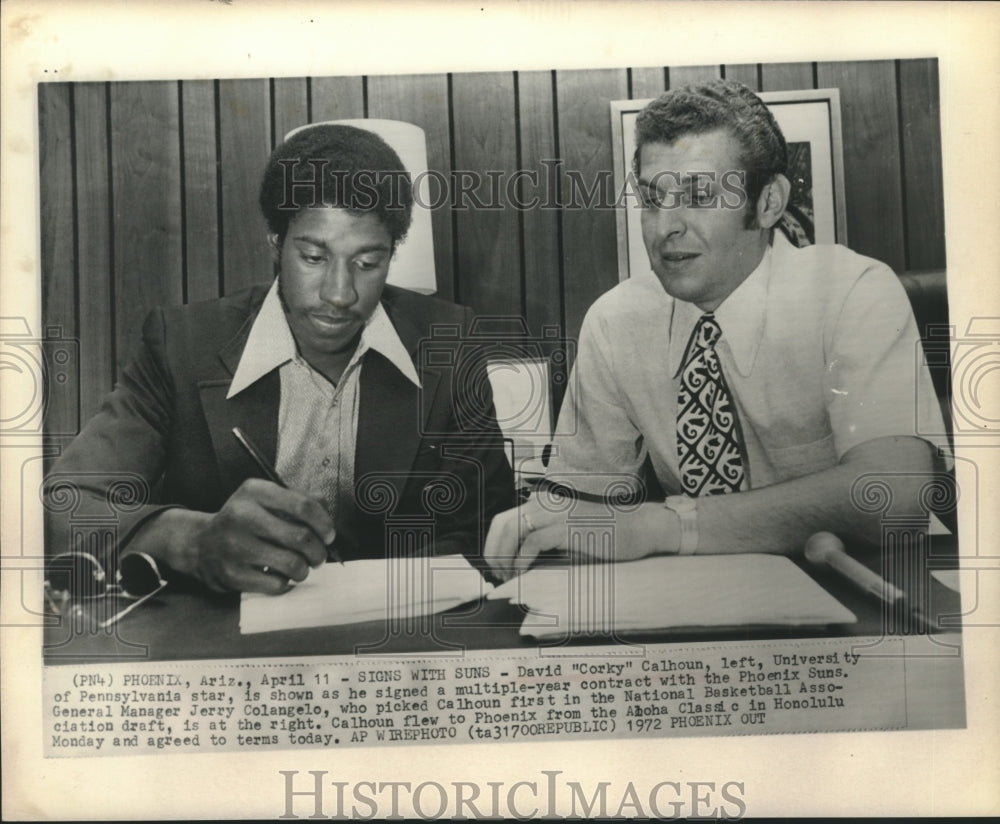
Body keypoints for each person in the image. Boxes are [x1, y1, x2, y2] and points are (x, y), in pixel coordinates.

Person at [484, 79, 948, 581]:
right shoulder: (616, 322)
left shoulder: (853, 290)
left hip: (881, 587)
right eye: (653, 200)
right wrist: (542, 524)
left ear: (769, 202)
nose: (666, 227)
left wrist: (666, 525)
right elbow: (581, 502)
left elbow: (893, 496)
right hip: (701, 601)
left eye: (701, 195)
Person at [45, 123, 513, 594]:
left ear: (392, 255)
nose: (339, 293)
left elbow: (488, 528)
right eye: (313, 257)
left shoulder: (451, 343)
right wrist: (193, 540)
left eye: (368, 263)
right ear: (275, 242)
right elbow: (66, 503)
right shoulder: (181, 345)